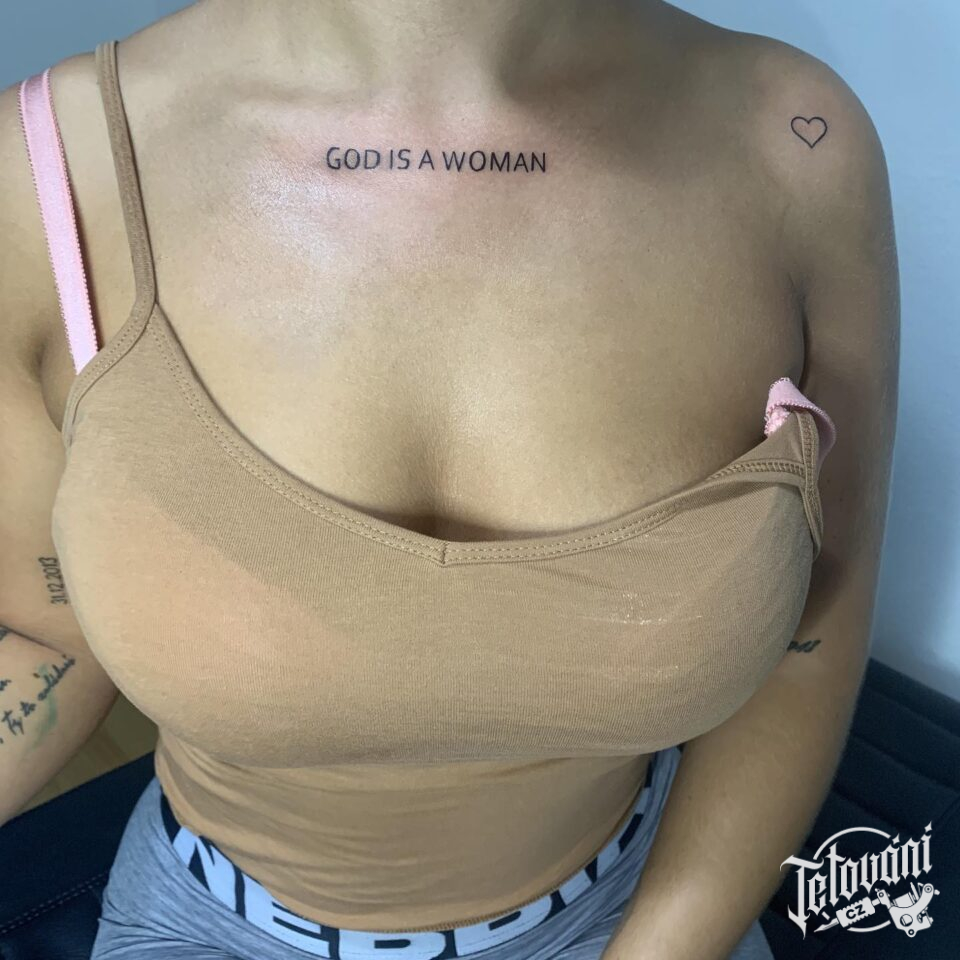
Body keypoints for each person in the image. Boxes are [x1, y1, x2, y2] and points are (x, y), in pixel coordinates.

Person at [0, 1, 899, 958]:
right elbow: (53, 629)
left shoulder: (799, 141)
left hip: (644, 913)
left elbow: (812, 637)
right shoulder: (44, 168)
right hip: (208, 927)